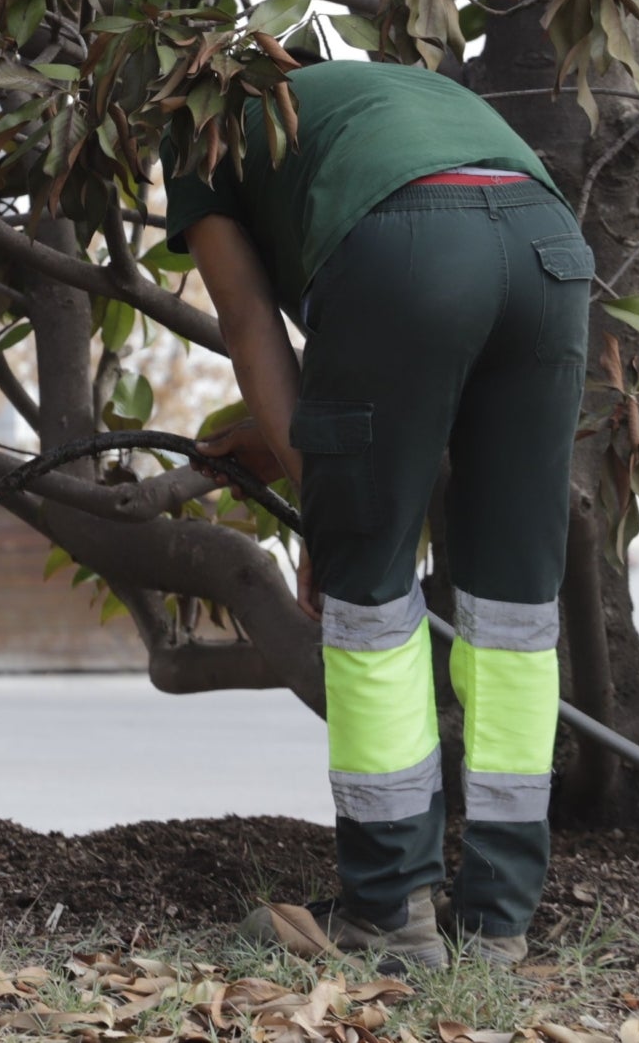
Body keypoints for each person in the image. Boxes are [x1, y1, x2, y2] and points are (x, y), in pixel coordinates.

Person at [167, 58, 589, 972]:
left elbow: (249, 323)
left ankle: (389, 912)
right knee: (515, 607)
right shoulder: (363, 91)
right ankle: (496, 923)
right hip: (548, 250)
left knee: (369, 605)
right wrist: (301, 452)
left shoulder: (198, 127)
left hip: (407, 249)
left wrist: (330, 515)